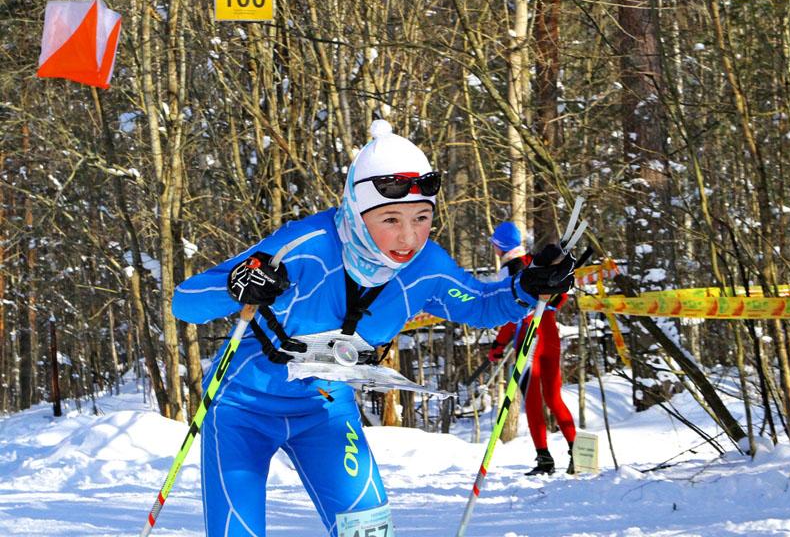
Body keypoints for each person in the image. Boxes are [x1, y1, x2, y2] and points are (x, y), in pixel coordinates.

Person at [172, 120, 575, 536]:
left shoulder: (426, 267)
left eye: (422, 218)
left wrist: (527, 289)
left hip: (324, 406)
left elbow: (483, 306)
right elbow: (184, 303)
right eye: (390, 219)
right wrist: (237, 284)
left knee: (368, 529)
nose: (408, 237)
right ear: (357, 211)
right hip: (242, 405)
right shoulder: (304, 246)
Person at [487, 221, 577, 476]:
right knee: (554, 396)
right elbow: (561, 294)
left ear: (500, 246)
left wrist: (498, 344)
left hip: (528, 337)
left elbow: (511, 314)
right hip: (549, 333)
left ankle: (544, 459)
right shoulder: (533, 261)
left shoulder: (509, 271)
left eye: (494, 243)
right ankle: (577, 453)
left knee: (534, 401)